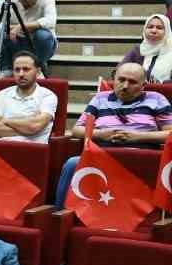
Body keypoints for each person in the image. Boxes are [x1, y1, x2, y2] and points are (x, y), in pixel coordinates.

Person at [52, 62, 172, 206]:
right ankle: (59, 215)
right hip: (102, 154)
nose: (125, 86)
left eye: (132, 82)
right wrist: (101, 134)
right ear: (114, 79)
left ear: (143, 85)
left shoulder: (156, 99)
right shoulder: (100, 99)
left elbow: (169, 133)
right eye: (121, 80)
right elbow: (77, 130)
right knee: (72, 163)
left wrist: (136, 137)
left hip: (141, 156)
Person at [0, 52, 56, 143]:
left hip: (31, 151)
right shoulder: (3, 94)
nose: (21, 74)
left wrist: (6, 121)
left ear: (38, 72)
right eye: (17, 70)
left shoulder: (47, 96)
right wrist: (28, 130)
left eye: (26, 69)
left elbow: (35, 126)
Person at [0, 0, 57, 74]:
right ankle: (6, 68)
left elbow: (51, 20)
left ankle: (38, 66)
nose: (29, 2)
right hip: (14, 42)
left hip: (37, 43)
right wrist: (12, 28)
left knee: (43, 35)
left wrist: (21, 26)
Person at [123, 13, 172, 83]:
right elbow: (118, 71)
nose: (154, 31)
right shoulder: (138, 50)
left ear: (167, 31)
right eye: (150, 27)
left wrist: (162, 84)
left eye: (159, 28)